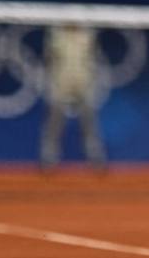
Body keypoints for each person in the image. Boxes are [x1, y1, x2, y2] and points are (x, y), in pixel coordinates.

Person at [39, 25, 107, 170]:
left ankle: (95, 157)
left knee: (89, 121)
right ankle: (49, 157)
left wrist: (93, 79)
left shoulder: (88, 35)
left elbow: (94, 58)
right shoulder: (56, 35)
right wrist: (50, 82)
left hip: (83, 81)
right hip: (61, 81)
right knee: (54, 121)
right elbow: (49, 60)